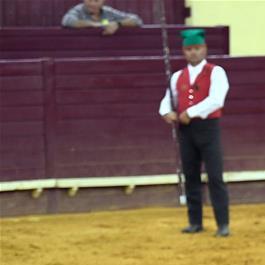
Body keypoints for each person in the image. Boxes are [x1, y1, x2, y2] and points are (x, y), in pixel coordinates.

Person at [158, 29, 231, 237]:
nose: (193, 53)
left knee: (215, 176)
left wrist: (190, 111)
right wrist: (166, 112)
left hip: (208, 128)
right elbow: (167, 99)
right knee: (191, 176)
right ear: (184, 51)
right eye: (189, 49)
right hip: (186, 130)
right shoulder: (177, 77)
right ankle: (195, 222)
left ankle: (223, 224)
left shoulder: (216, 72)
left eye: (197, 48)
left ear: (204, 49)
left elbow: (217, 100)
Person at [61, 0, 142, 34]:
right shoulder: (78, 10)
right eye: (89, 0)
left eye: (96, 0)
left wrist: (118, 24)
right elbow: (67, 21)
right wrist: (94, 24)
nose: (92, 4)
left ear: (103, 1)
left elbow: (137, 20)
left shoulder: (108, 12)